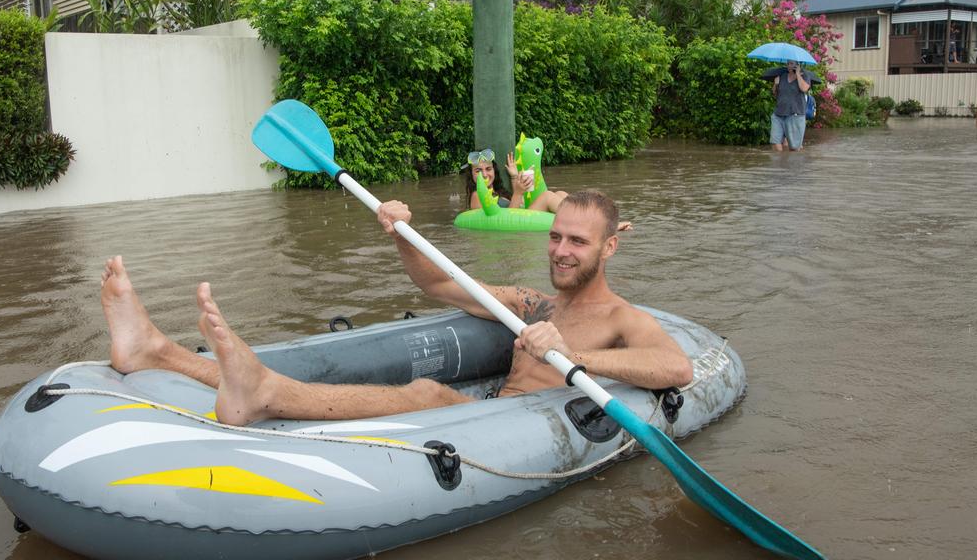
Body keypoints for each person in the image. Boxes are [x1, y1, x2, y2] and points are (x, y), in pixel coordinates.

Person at [100, 191, 692, 426]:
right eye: (555, 237)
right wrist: (401, 234)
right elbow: (440, 285)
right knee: (426, 388)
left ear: (609, 247)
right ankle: (159, 352)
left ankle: (265, 393)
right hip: (492, 412)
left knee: (426, 391)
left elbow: (677, 369)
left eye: (577, 242)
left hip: (521, 425)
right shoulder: (532, 303)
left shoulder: (622, 319)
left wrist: (575, 355)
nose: (560, 251)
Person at [464, 147, 629, 230]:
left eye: (488, 169)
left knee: (560, 194)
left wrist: (514, 176)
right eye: (478, 171)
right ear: (471, 175)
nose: (485, 174)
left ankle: (591, 215)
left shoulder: (495, 191)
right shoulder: (477, 195)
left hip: (524, 215)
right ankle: (599, 225)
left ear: (494, 170)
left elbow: (515, 205)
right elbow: (504, 219)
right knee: (548, 196)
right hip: (517, 222)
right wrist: (519, 192)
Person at [770, 61, 811, 152]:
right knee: (775, 143)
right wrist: (775, 84)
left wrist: (798, 75)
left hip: (795, 115)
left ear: (798, 64)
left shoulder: (805, 76)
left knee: (794, 148)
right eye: (788, 63)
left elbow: (804, 88)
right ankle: (778, 165)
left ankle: (791, 165)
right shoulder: (782, 75)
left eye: (791, 63)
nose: (789, 65)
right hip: (778, 114)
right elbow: (775, 94)